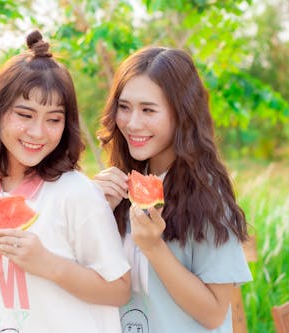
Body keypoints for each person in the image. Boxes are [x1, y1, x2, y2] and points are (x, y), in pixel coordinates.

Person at [0, 30, 130, 333]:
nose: (38, 132)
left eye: (53, 119)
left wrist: (48, 264)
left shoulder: (76, 193)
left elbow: (119, 289)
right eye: (25, 115)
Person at [93, 46, 252, 332]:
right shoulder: (120, 186)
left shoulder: (208, 195)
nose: (132, 123)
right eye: (124, 107)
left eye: (148, 110)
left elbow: (215, 313)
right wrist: (96, 212)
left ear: (181, 114)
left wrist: (155, 247)